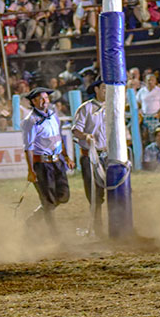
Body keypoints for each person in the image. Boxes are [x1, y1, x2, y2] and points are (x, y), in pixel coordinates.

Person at [23, 87, 76, 232]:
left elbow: (58, 137)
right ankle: (54, 235)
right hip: (42, 164)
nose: (45, 101)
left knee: (64, 195)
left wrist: (66, 157)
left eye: (46, 98)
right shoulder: (30, 121)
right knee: (48, 200)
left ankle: (35, 218)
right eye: (41, 99)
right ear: (33, 102)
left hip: (57, 161)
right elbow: (28, 147)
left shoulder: (53, 115)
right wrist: (31, 170)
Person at [71, 78, 106, 230]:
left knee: (117, 189)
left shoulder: (112, 107)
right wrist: (85, 136)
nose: (107, 91)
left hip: (108, 155)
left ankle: (118, 224)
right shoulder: (86, 108)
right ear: (96, 90)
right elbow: (75, 130)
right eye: (104, 88)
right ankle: (97, 227)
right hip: (90, 156)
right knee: (94, 194)